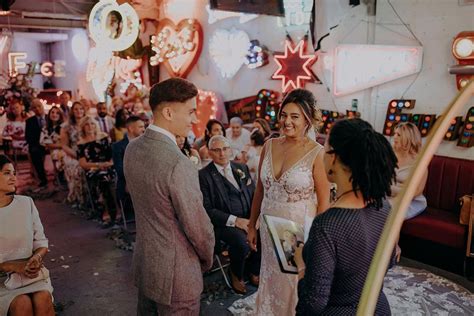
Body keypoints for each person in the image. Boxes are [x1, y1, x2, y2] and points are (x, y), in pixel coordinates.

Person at [124, 78, 214, 315]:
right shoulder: (177, 163)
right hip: (178, 274)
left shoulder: (132, 148)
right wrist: (206, 258)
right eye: (191, 112)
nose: (195, 119)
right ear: (168, 112)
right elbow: (197, 226)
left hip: (146, 264)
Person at [293, 118, 397, 315]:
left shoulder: (327, 225)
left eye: (324, 145)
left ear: (334, 157)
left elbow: (313, 303)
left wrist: (301, 266)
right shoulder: (383, 206)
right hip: (377, 308)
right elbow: (390, 260)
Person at [241, 88, 331, 316]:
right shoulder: (269, 145)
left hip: (297, 230)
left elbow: (324, 202)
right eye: (284, 115)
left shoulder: (316, 153)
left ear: (308, 119)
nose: (286, 121)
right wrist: (252, 224)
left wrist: (319, 242)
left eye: (294, 116)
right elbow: (259, 190)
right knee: (271, 276)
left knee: (293, 281)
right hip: (268, 225)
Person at [199, 135, 260, 295]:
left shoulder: (242, 168)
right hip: (223, 224)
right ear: (210, 153)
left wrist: (255, 218)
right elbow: (207, 209)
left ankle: (253, 269)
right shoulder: (203, 176)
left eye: (225, 149)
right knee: (241, 242)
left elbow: (253, 195)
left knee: (263, 231)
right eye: (217, 150)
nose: (222, 153)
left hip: (248, 218)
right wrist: (236, 221)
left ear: (230, 150)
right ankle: (236, 273)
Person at [0, 155, 54, 316]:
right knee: (21, 304)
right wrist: (11, 266)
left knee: (42, 298)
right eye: (6, 173)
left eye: (14, 173)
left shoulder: (26, 203)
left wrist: (36, 258)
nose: (13, 178)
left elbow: (41, 242)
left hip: (32, 277)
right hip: (2, 281)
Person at [390, 122, 428, 261]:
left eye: (398, 134)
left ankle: (393, 249)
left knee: (392, 210)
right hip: (389, 196)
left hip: (412, 201)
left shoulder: (419, 162)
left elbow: (416, 191)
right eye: (394, 133)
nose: (394, 137)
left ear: (408, 138)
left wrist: (391, 189)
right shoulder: (390, 156)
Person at [77, 116, 116, 227]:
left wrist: (108, 164)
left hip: (108, 166)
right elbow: (83, 164)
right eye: (87, 124)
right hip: (93, 169)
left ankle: (117, 208)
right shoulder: (81, 143)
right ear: (83, 127)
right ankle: (107, 209)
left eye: (92, 124)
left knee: (112, 176)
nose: (90, 127)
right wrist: (99, 165)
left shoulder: (104, 137)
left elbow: (112, 155)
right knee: (103, 178)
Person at [112, 116, 145, 205]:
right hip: (127, 181)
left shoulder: (146, 143)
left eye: (144, 126)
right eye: (140, 127)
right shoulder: (118, 146)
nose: (144, 129)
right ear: (130, 128)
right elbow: (119, 169)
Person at [60, 101, 85, 207]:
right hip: (72, 153)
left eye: (81, 109)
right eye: (76, 109)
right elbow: (64, 146)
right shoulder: (66, 126)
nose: (79, 111)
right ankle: (79, 197)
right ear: (72, 111)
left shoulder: (89, 122)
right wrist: (77, 156)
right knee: (78, 168)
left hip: (87, 151)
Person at [25, 99, 48, 189]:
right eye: (35, 107)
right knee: (34, 152)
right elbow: (28, 137)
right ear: (32, 110)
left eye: (39, 106)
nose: (37, 109)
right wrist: (39, 143)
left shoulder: (49, 117)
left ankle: (61, 177)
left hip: (51, 143)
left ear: (42, 106)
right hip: (37, 144)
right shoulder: (29, 121)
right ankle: (42, 179)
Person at [40, 106, 66, 174]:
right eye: (52, 112)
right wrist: (61, 145)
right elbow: (48, 144)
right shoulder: (45, 129)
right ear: (49, 114)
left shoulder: (64, 127)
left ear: (60, 115)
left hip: (66, 147)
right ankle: (60, 174)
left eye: (57, 113)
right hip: (55, 149)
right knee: (59, 154)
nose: (54, 114)